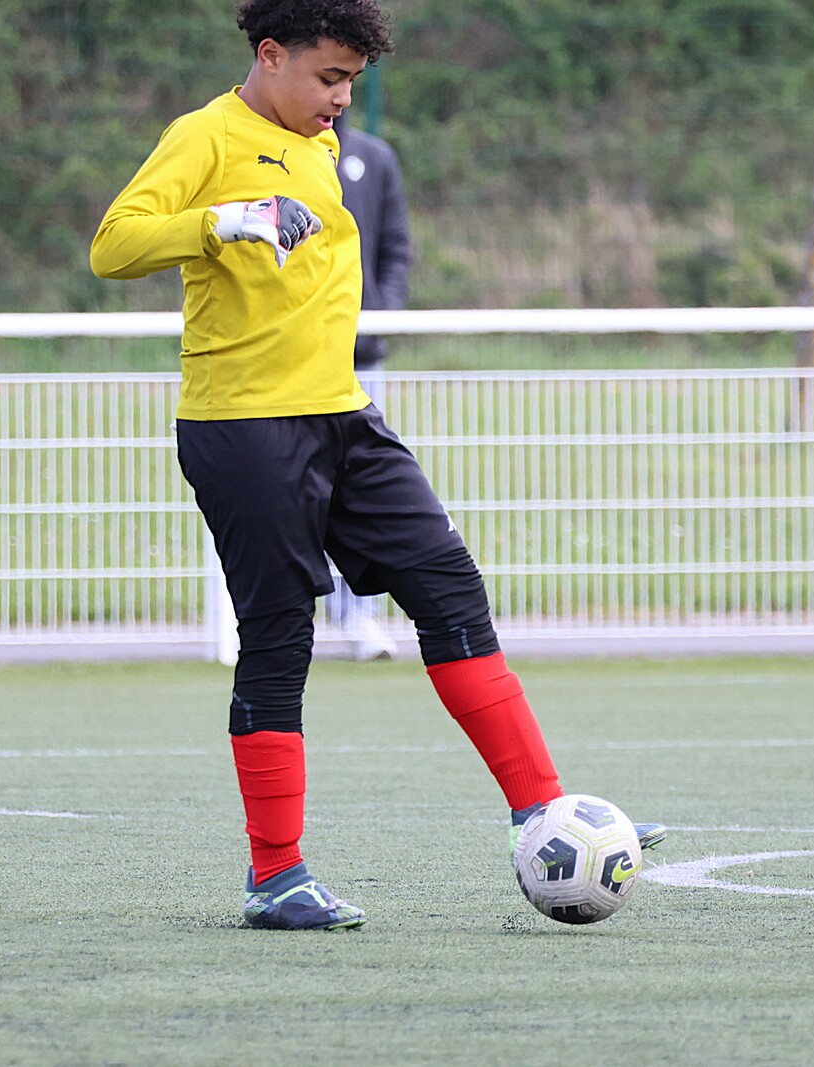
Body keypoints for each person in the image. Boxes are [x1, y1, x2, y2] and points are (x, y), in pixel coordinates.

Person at [90, 0, 664, 932]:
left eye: (352, 81)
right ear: (270, 55)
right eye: (329, 77)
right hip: (246, 429)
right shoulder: (205, 135)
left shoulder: (318, 142)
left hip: (344, 416)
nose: (342, 99)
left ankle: (543, 813)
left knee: (450, 588)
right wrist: (222, 221)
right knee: (280, 639)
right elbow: (113, 244)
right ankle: (276, 876)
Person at [326, 109, 409, 661]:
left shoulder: (374, 158)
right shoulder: (268, 156)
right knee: (291, 488)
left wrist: (382, 314)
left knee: (359, 486)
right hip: (285, 361)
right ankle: (271, 618)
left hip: (361, 357)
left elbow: (396, 249)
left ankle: (359, 617)